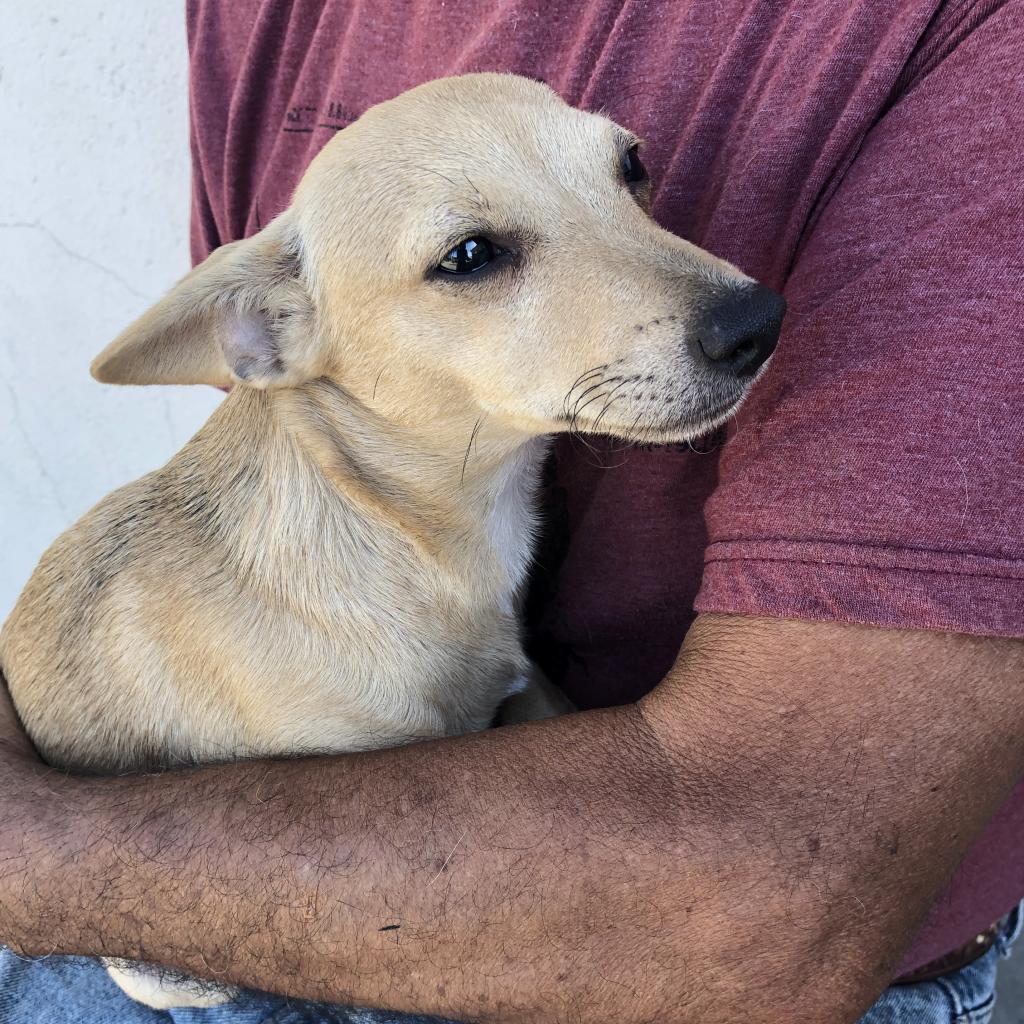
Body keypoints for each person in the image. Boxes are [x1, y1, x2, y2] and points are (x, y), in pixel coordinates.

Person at [1, 1, 1023, 1021]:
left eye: (623, 171)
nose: (720, 302)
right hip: (191, 916)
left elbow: (766, 899)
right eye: (474, 257)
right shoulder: (301, 669)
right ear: (264, 333)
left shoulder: (966, 36)